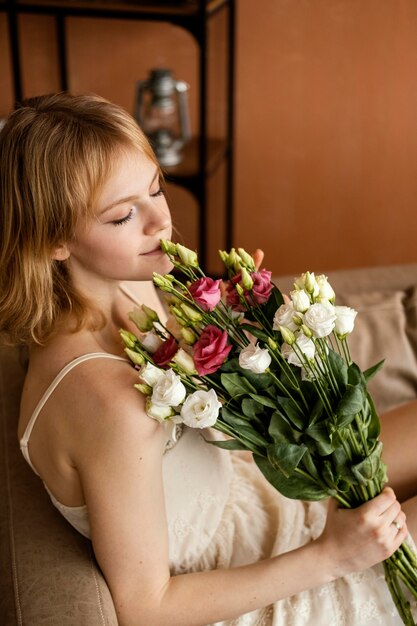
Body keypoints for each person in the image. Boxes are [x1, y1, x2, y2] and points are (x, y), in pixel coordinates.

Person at [0, 92, 416, 626]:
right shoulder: (106, 405)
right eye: (124, 215)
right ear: (54, 239)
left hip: (255, 497)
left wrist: (245, 324)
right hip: (244, 582)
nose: (160, 222)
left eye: (156, 189)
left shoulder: (129, 291)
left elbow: (203, 389)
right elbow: (144, 607)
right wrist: (334, 557)